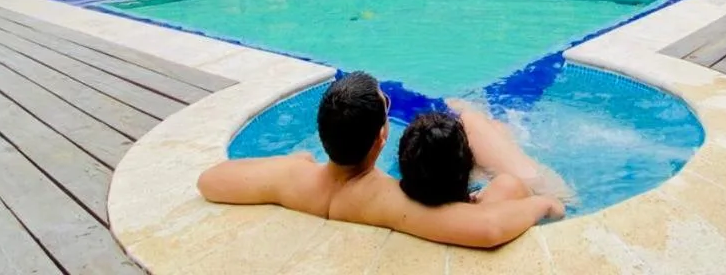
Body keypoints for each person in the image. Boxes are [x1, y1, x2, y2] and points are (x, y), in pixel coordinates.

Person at [196, 72, 562, 249]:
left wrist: (293, 160)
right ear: (381, 138)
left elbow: (209, 181)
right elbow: (488, 229)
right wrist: (541, 202)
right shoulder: (389, 201)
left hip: (308, 178)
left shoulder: (293, 176)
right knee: (507, 176)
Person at [398, 101, 574, 208]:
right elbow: (558, 205)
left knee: (471, 119)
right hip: (548, 192)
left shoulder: (389, 200)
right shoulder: (504, 192)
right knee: (470, 118)